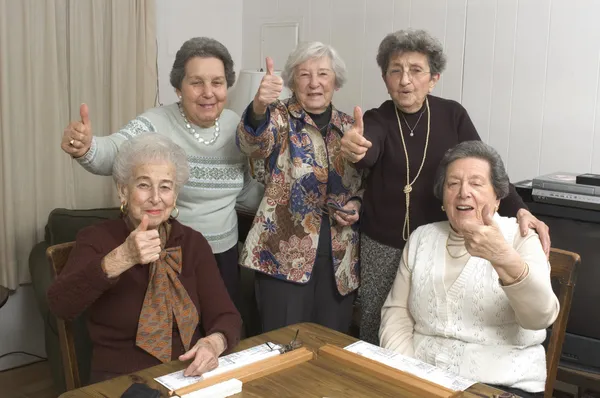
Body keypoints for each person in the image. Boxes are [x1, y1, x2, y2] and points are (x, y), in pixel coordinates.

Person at [339, 29, 551, 345]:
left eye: (415, 70)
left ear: (434, 78)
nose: (404, 80)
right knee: (379, 321)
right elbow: (367, 150)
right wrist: (356, 148)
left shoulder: (452, 115)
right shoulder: (378, 118)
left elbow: (485, 168)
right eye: (395, 71)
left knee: (434, 322)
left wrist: (519, 209)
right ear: (385, 78)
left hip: (435, 243)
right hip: (383, 245)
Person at [60, 37, 264, 308]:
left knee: (224, 333)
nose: (208, 92)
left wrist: (285, 197)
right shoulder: (156, 122)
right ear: (178, 88)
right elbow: (113, 153)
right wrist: (86, 147)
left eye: (217, 82)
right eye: (196, 82)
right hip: (173, 252)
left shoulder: (236, 125)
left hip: (224, 256)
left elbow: (245, 190)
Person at [48, 134, 241, 383]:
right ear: (123, 191)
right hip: (123, 379)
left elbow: (227, 316)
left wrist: (213, 344)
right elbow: (60, 305)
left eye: (165, 186)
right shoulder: (96, 238)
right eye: (143, 184)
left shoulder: (193, 243)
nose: (155, 197)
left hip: (191, 375)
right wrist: (121, 257)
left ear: (175, 194)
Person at [379, 141, 558, 398]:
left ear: (497, 197)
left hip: (500, 387)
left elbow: (540, 317)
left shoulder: (520, 237)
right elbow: (397, 313)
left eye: (476, 183)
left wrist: (503, 258)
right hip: (424, 380)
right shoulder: (422, 238)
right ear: (443, 196)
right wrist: (407, 373)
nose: (463, 192)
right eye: (453, 184)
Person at [236, 42, 364, 333]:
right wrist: (258, 106)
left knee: (331, 351)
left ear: (336, 81)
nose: (314, 83)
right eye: (305, 75)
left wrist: (356, 204)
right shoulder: (278, 118)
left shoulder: (348, 127)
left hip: (338, 265)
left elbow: (362, 186)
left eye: (323, 74)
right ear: (293, 81)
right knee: (282, 350)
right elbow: (251, 143)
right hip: (280, 262)